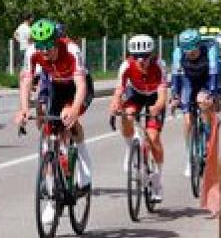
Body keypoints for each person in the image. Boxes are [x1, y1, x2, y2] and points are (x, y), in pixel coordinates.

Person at [13, 18, 92, 193]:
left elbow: (80, 85)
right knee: (49, 130)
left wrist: (74, 109)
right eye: (40, 46)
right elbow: (26, 81)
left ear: (56, 41)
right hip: (57, 85)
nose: (44, 51)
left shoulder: (72, 49)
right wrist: (24, 108)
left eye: (48, 45)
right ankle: (50, 190)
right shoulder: (32, 52)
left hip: (77, 86)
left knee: (68, 118)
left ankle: (84, 164)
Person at [109, 34, 168, 201]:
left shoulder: (159, 66)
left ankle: (157, 180)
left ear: (152, 55)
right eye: (136, 56)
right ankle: (130, 147)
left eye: (145, 56)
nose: (141, 60)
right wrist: (115, 103)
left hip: (154, 97)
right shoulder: (126, 66)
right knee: (126, 115)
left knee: (153, 138)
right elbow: (119, 89)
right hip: (136, 94)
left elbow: (163, 94)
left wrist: (157, 107)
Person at [169, 28, 219, 178]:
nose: (190, 54)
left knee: (204, 103)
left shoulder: (210, 51)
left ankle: (210, 138)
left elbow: (214, 76)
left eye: (193, 50)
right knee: (188, 121)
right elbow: (176, 78)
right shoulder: (178, 54)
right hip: (188, 82)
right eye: (187, 51)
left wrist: (211, 94)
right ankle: (190, 156)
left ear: (199, 45)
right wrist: (175, 96)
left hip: (205, 80)